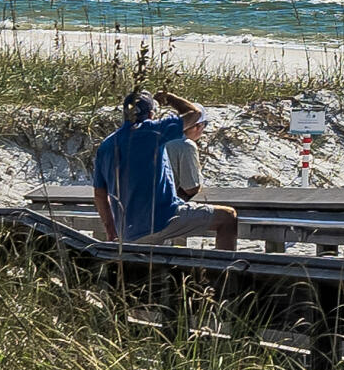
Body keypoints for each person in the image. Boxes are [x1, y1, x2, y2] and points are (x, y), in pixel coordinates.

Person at [90, 89, 239, 250]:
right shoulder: (153, 131)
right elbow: (194, 114)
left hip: (128, 231)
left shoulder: (106, 146)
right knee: (228, 217)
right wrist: (170, 97)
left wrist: (111, 230)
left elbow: (99, 194)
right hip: (164, 218)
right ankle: (225, 273)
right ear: (151, 114)